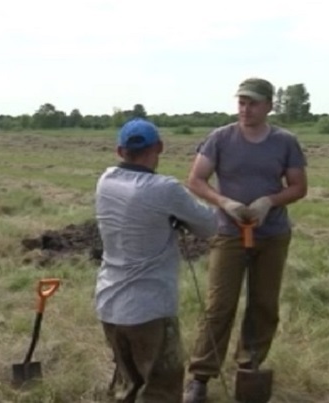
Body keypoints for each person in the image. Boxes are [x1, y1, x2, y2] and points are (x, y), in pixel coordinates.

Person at [183, 78, 308, 402]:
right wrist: (225, 203)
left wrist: (269, 202)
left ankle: (249, 367)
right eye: (241, 102)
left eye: (252, 103)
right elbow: (196, 180)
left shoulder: (285, 142)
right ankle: (200, 377)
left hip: (272, 235)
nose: (245, 109)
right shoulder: (220, 139)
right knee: (219, 305)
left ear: (269, 105)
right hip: (229, 233)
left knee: (263, 304)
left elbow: (298, 186)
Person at [95, 118, 217, 402]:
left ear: (119, 151)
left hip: (109, 303)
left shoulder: (105, 181)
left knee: (126, 384)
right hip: (149, 309)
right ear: (159, 147)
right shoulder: (164, 188)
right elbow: (209, 226)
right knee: (160, 389)